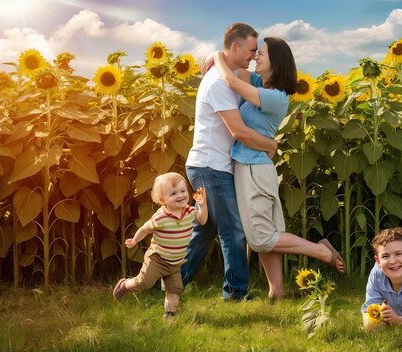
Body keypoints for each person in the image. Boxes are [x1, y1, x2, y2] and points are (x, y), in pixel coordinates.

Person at [208, 37, 345, 299]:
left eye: (261, 53)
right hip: (256, 168)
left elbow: (232, 81)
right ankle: (277, 291)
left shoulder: (274, 98)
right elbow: (237, 70)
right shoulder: (263, 84)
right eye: (256, 52)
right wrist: (216, 59)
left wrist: (216, 57)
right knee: (269, 233)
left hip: (252, 169)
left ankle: (320, 251)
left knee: (259, 238)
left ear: (277, 62)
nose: (256, 57)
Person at [182, 23, 278, 301]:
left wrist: (215, 55)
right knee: (234, 230)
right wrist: (271, 145)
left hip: (212, 165)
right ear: (235, 47)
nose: (253, 55)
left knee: (205, 231)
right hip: (210, 167)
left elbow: (256, 81)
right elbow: (238, 131)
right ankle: (236, 294)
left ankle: (168, 282)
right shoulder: (218, 83)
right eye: (251, 50)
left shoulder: (232, 73)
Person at [112, 172, 208, 320]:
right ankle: (124, 285)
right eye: (173, 193)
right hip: (157, 258)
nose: (180, 195)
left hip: (175, 262)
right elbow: (145, 229)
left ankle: (169, 315)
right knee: (144, 283)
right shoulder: (161, 217)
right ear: (163, 200)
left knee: (175, 289)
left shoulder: (190, 212)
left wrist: (202, 205)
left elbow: (202, 220)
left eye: (183, 191)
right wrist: (134, 241)